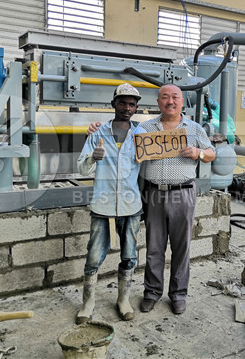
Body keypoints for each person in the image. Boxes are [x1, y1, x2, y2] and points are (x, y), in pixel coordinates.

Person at [89, 84, 215, 315]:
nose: (170, 101)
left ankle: (178, 295)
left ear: (182, 101)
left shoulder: (195, 129)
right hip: (153, 193)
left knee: (181, 247)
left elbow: (211, 153)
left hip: (183, 193)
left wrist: (199, 153)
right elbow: (118, 136)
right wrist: (95, 129)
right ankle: (152, 293)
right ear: (158, 102)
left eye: (175, 97)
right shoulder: (144, 128)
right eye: (165, 97)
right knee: (154, 247)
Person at [76, 83, 145, 324]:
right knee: (94, 256)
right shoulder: (97, 133)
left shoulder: (141, 135)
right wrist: (91, 158)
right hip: (102, 203)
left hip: (131, 204)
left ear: (136, 108)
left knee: (129, 256)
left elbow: (150, 166)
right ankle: (88, 302)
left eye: (132, 104)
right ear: (113, 104)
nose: (127, 107)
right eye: (123, 102)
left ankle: (123, 300)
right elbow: (80, 166)